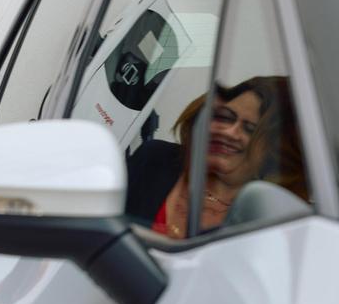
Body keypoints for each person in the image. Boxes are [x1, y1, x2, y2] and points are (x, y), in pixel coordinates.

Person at [124, 76, 306, 239]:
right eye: (225, 118)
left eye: (250, 130)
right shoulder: (155, 158)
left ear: (277, 151)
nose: (229, 132)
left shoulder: (276, 218)